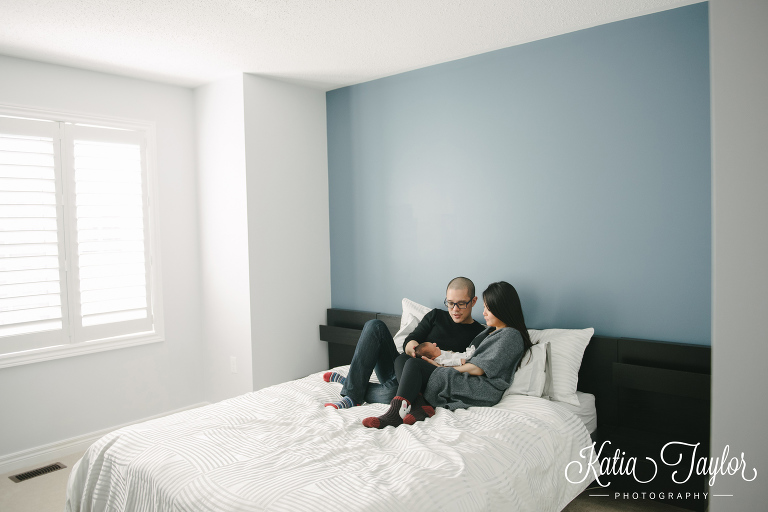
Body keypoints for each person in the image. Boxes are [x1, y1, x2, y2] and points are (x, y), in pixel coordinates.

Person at [362, 281, 532, 429]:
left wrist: (442, 367)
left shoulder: (511, 335)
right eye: (485, 308)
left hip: (479, 387)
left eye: (488, 308)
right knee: (403, 359)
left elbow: (480, 368)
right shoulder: (490, 331)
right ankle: (418, 403)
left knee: (412, 366)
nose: (484, 313)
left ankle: (395, 413)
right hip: (465, 377)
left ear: (502, 309)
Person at [323, 277, 486, 409]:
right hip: (399, 367)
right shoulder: (436, 316)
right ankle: (352, 394)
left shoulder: (479, 333)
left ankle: (351, 384)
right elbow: (410, 340)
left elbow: (471, 367)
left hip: (421, 383)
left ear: (473, 301)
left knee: (395, 394)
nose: (455, 309)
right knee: (374, 326)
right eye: (450, 303)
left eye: (461, 304)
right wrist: (414, 350)